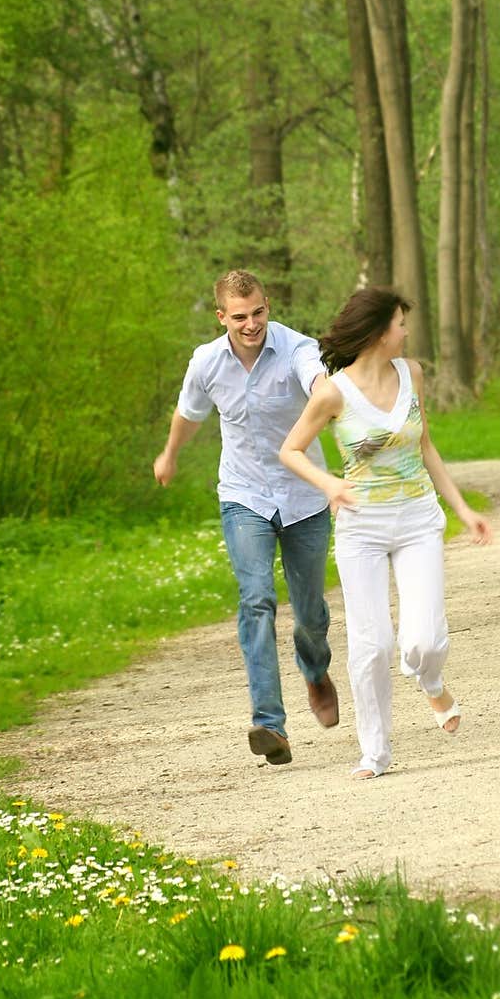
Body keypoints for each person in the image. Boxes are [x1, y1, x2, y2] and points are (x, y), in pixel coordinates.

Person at [279, 286, 492, 778]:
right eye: (400, 323)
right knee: (372, 645)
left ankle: (431, 681)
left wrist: (462, 509)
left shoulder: (411, 373)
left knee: (424, 641)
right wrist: (329, 482)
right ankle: (375, 753)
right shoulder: (333, 391)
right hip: (362, 529)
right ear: (378, 333)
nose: (406, 331)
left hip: (418, 518)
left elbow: (428, 449)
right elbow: (291, 450)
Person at [153, 269, 338, 768]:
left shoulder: (299, 348)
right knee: (256, 598)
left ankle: (316, 670)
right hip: (243, 495)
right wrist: (170, 454)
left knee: (308, 613)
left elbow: (318, 385)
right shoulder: (206, 362)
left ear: (267, 305)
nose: (251, 323)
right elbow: (188, 413)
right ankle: (270, 725)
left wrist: (328, 392)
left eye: (258, 312)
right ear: (221, 317)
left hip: (304, 497)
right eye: (239, 316)